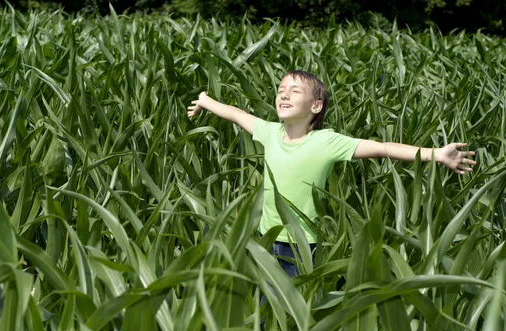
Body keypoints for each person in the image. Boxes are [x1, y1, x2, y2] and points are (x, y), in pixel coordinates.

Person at [187, 70, 476, 277]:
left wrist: (435, 154)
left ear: (316, 106)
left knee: (291, 307)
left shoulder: (326, 141)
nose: (283, 94)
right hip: (265, 238)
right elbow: (236, 114)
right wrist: (205, 100)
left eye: (294, 91)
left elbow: (381, 147)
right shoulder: (269, 132)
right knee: (265, 304)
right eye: (280, 90)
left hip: (303, 244)